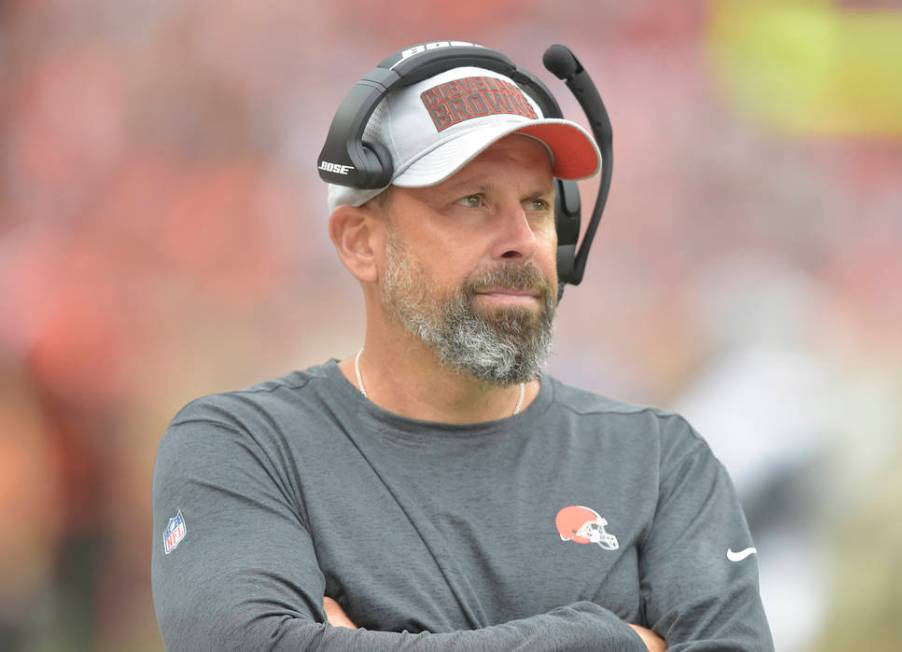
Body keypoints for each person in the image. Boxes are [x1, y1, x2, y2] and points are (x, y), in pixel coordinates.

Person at [151, 50, 774, 651]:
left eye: (535, 204)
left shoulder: (661, 461)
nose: (521, 240)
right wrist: (602, 638)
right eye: (472, 201)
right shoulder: (244, 447)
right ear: (360, 242)